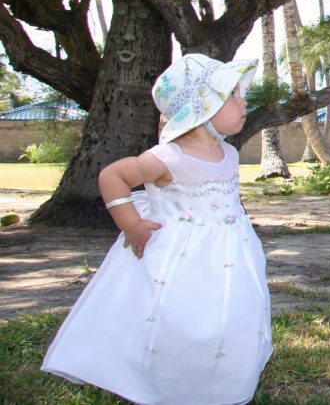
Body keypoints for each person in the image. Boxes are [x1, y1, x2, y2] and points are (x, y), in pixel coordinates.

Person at [42, 53, 273, 404]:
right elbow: (113, 176)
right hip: (181, 256)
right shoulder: (167, 157)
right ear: (202, 107)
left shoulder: (230, 153)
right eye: (233, 97)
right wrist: (131, 225)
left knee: (231, 310)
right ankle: (168, 378)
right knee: (177, 314)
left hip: (229, 250)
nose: (244, 103)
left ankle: (225, 378)